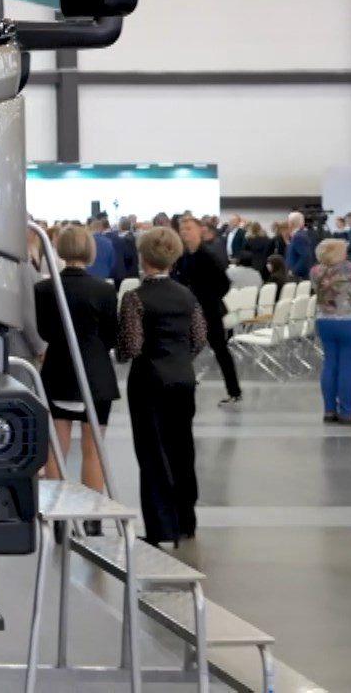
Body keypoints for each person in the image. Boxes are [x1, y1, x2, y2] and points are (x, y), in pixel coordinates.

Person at [115, 227, 207, 547]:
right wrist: (180, 356)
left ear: (143, 257)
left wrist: (121, 351)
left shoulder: (135, 298)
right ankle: (186, 520)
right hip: (182, 376)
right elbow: (199, 338)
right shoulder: (187, 295)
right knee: (182, 448)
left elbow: (131, 346)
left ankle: (161, 526)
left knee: (152, 453)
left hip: (149, 380)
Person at [33, 225, 121, 504]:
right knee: (93, 449)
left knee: (56, 448)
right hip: (97, 374)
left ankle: (58, 511)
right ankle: (93, 514)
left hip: (58, 371)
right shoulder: (105, 290)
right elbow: (111, 335)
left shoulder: (43, 289)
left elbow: (44, 331)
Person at [174, 214, 239, 406]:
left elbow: (224, 282)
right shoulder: (184, 256)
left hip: (209, 310)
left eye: (189, 229)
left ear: (199, 231)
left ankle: (234, 390)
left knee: (220, 349)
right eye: (182, 229)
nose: (185, 232)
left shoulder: (208, 255)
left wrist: (210, 299)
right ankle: (182, 384)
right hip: (191, 309)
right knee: (185, 348)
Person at [310, 238, 351, 425]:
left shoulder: (315, 271)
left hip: (324, 320)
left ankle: (329, 410)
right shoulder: (349, 269)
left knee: (330, 364)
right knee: (348, 367)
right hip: (350, 321)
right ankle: (346, 411)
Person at [109, 216, 141, 284]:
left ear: (121, 225)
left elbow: (128, 257)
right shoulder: (128, 237)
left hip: (128, 275)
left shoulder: (127, 240)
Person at [283, 211, 315, 278]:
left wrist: (294, 271)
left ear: (290, 223)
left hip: (298, 276)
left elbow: (306, 256)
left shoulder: (298, 237)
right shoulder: (301, 235)